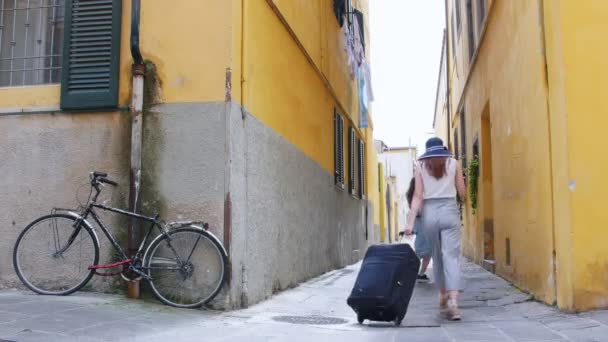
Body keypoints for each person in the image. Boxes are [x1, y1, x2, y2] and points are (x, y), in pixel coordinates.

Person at [402, 137, 466, 321]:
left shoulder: (421, 166)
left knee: (437, 257)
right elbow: (462, 192)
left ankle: (443, 293)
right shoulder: (454, 163)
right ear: (443, 149)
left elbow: (418, 195)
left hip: (429, 214)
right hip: (450, 212)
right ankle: (453, 300)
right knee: (451, 257)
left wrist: (410, 222)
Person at [405, 177, 431, 281]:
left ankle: (418, 273)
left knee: (423, 251)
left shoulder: (412, 195)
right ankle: (418, 273)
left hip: (420, 224)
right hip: (424, 224)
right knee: (425, 252)